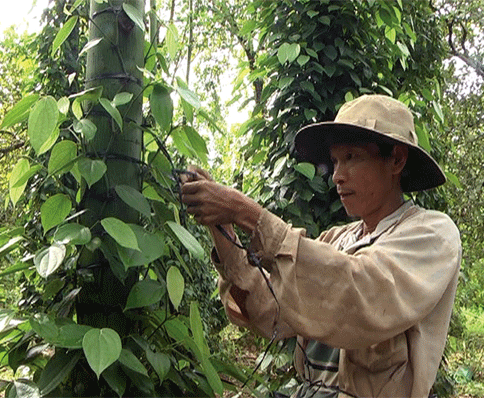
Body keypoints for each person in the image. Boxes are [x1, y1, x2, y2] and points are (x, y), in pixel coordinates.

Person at [180, 94, 461, 398]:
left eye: (352, 157)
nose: (338, 176)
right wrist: (220, 226)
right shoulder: (336, 240)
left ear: (396, 159)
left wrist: (248, 214)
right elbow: (270, 309)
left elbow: (359, 293)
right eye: (336, 160)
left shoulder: (432, 234)